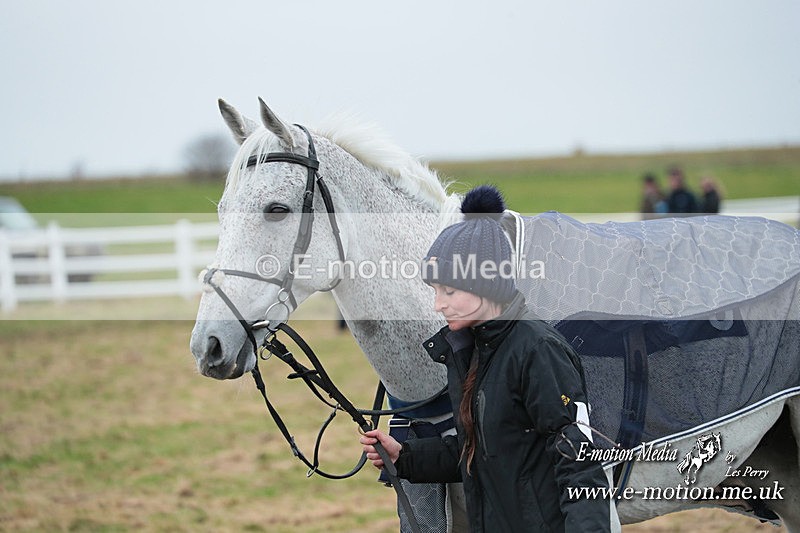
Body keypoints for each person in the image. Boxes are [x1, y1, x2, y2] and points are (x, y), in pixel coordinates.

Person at [360, 185, 618, 532]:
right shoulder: (472, 351)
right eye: (435, 292)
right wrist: (403, 456)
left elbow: (579, 463)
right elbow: (477, 452)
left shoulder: (538, 351)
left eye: (449, 291)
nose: (438, 304)